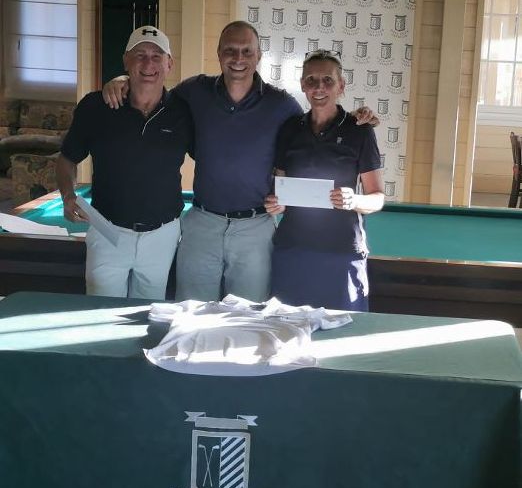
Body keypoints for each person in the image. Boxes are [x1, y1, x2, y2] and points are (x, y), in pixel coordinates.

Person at [103, 21, 377, 304]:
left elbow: (317, 123)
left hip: (255, 228)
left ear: (259, 56)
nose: (238, 58)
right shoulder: (194, 91)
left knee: (248, 319)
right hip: (202, 224)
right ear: (219, 53)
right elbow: (154, 96)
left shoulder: (282, 104)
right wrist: (124, 80)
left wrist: (356, 118)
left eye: (247, 51)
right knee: (191, 314)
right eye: (230, 50)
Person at [56, 26, 193, 299]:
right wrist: (68, 195)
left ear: (169, 64)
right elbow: (67, 159)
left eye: (157, 56)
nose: (148, 63)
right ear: (126, 61)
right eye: (140, 55)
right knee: (101, 313)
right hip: (107, 230)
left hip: (162, 234)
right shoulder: (96, 106)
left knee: (146, 313)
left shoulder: (184, 111)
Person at [264, 49, 384, 311]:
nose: (319, 87)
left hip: (341, 252)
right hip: (292, 249)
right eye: (311, 80)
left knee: (345, 329)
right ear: (302, 85)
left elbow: (377, 198)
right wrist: (277, 203)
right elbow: (280, 187)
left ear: (341, 86)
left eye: (328, 80)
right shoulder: (290, 129)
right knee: (286, 327)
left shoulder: (359, 130)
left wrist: (354, 200)